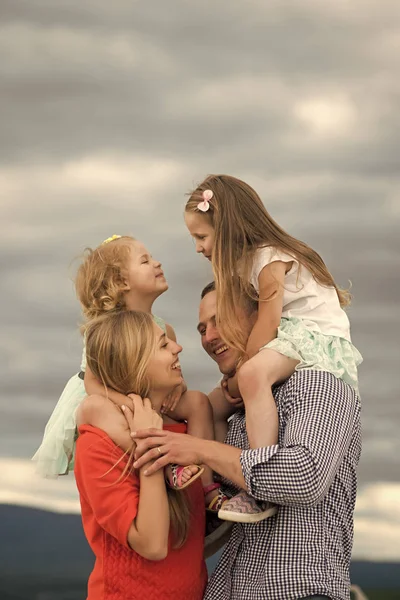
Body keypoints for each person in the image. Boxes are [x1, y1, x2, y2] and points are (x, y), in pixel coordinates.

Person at [128, 282, 362, 600]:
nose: (209, 336)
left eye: (219, 320)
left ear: (258, 316)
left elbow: (305, 476)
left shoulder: (316, 382)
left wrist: (201, 450)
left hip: (300, 590)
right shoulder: (236, 409)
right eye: (201, 328)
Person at [184, 174, 362, 521]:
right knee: (212, 405)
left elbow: (267, 322)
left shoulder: (269, 259)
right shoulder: (246, 264)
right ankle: (219, 492)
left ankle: (258, 485)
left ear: (227, 229)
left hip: (314, 334)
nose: (198, 247)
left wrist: (242, 371)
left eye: (201, 236)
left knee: (251, 376)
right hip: (291, 334)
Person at [32, 235, 214, 501]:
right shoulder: (105, 329)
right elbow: (92, 384)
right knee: (96, 409)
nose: (157, 263)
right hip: (110, 398)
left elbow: (173, 369)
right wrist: (134, 407)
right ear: (121, 282)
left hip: (150, 398)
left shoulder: (164, 329)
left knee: (198, 402)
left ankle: (206, 490)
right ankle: (163, 465)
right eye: (145, 260)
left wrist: (180, 387)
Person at [74, 310, 207, 600]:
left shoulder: (182, 432)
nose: (178, 347)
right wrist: (149, 451)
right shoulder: (97, 445)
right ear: (133, 364)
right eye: (163, 345)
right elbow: (152, 545)